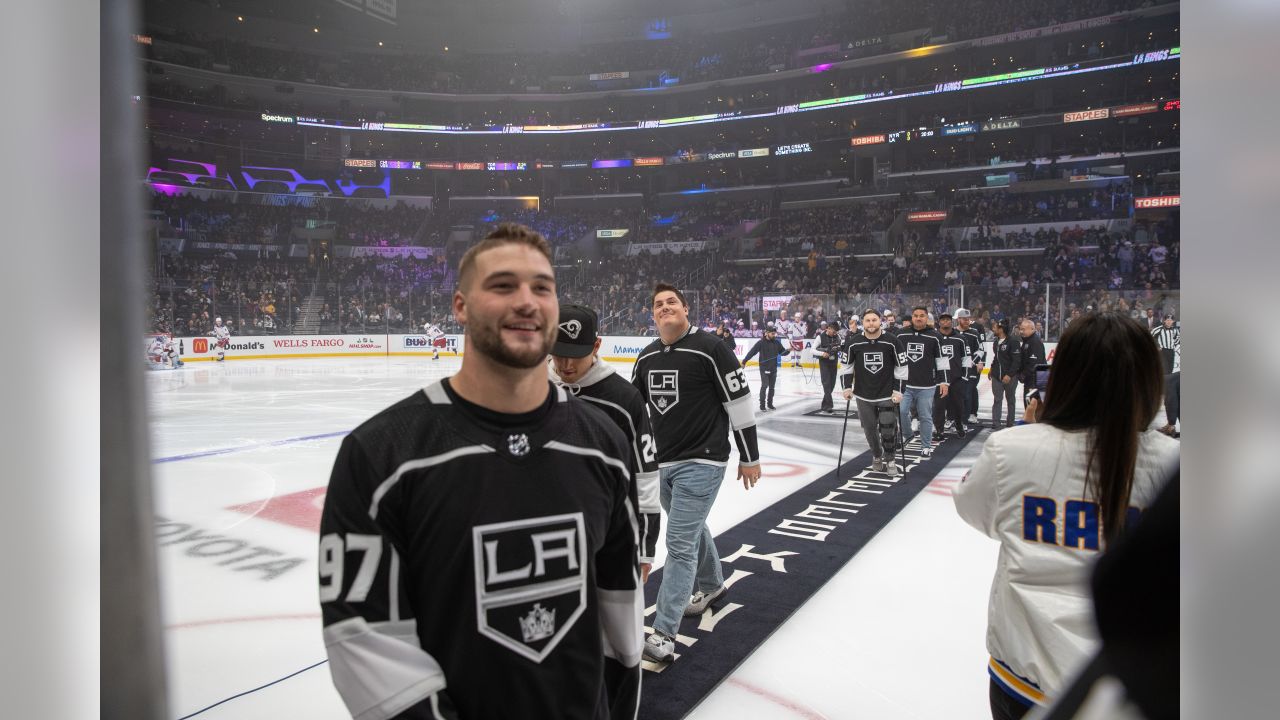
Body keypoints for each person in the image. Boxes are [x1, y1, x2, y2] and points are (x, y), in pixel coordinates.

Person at [319, 223, 642, 719]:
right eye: (502, 285)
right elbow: (364, 641)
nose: (527, 301)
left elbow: (620, 616)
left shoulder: (603, 443)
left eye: (542, 287)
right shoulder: (380, 456)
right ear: (461, 306)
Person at [953, 312, 1179, 719]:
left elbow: (975, 511)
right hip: (1128, 685)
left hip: (1025, 674)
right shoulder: (1176, 464)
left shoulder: (1012, 449)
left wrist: (1031, 432)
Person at [632, 282, 762, 663]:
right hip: (662, 464)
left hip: (703, 462)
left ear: (686, 309)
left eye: (672, 301)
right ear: (652, 314)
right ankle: (714, 586)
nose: (665, 307)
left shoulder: (711, 348)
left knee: (679, 544)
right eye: (658, 304)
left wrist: (749, 455)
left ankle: (663, 633)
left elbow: (738, 402)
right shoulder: (646, 357)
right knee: (691, 529)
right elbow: (633, 412)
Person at [549, 304, 662, 583]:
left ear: (597, 345)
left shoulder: (624, 399)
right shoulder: (531, 387)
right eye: (559, 353)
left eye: (576, 355)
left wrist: (645, 548)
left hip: (606, 531)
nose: (566, 365)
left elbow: (645, 475)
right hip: (543, 529)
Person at [839, 309, 905, 476]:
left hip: (887, 394)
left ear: (880, 321)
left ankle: (890, 459)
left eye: (874, 320)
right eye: (867, 320)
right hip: (863, 395)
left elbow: (901, 368)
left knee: (888, 429)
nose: (871, 323)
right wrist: (846, 388)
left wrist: (899, 390)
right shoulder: (854, 342)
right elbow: (846, 367)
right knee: (869, 429)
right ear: (863, 323)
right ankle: (877, 455)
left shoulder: (892, 341)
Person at [895, 306, 950, 457]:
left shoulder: (935, 336)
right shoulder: (900, 334)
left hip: (927, 386)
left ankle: (926, 446)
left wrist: (944, 381)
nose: (918, 318)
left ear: (927, 318)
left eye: (922, 316)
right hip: (905, 385)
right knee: (901, 411)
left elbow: (942, 361)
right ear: (912, 317)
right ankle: (908, 435)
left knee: (925, 416)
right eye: (915, 315)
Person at [933, 313, 970, 437]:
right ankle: (939, 430)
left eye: (948, 320)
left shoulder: (960, 338)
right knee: (939, 407)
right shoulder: (934, 337)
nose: (945, 322)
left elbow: (966, 358)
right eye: (943, 320)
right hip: (940, 379)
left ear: (951, 322)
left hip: (957, 379)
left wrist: (964, 377)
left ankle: (959, 426)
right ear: (939, 322)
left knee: (958, 406)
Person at [742, 323, 790, 411]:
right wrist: (744, 361)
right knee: (764, 385)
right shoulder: (761, 343)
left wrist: (789, 350)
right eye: (772, 333)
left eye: (775, 334)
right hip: (764, 368)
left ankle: (770, 404)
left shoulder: (776, 343)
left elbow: (783, 352)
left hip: (773, 368)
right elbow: (752, 352)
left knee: (772, 387)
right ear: (767, 333)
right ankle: (762, 405)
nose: (774, 335)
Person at [955, 308, 986, 425]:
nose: (967, 321)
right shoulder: (953, 332)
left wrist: (973, 362)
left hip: (970, 370)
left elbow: (980, 350)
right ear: (959, 319)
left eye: (968, 319)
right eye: (964, 319)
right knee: (955, 395)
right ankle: (952, 418)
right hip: (955, 370)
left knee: (967, 394)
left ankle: (964, 420)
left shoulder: (974, 333)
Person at [1152, 315, 1180, 437]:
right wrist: (1157, 346)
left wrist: (1177, 348)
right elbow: (1151, 336)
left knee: (1170, 373)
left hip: (1171, 351)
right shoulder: (1158, 329)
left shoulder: (1175, 330)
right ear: (1164, 320)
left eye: (1171, 320)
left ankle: (1172, 425)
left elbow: (1178, 340)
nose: (1169, 321)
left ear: (1173, 321)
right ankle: (1163, 390)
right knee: (1165, 374)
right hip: (1162, 351)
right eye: (1167, 320)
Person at [989, 319, 1021, 428]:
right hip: (997, 376)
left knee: (1010, 399)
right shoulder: (995, 342)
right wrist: (992, 369)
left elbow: (1017, 361)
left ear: (1001, 329)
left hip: (1010, 377)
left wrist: (1010, 375)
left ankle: (1010, 422)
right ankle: (996, 423)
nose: (993, 329)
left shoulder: (1013, 342)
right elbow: (997, 358)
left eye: (995, 327)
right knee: (997, 399)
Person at [1017, 319, 1046, 412]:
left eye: (1024, 329)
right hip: (1031, 379)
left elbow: (1034, 363)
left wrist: (1023, 375)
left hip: (1035, 380)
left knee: (1032, 407)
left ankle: (1033, 425)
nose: (1021, 331)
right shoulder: (1028, 341)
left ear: (1032, 329)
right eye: (1020, 329)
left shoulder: (1034, 342)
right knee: (1030, 405)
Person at [814, 321, 841, 414]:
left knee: (832, 385)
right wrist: (822, 353)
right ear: (828, 328)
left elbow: (840, 346)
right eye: (834, 331)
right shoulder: (820, 337)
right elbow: (812, 350)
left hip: (834, 362)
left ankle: (824, 405)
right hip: (824, 363)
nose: (835, 334)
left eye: (836, 332)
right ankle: (829, 406)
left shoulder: (837, 336)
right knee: (826, 384)